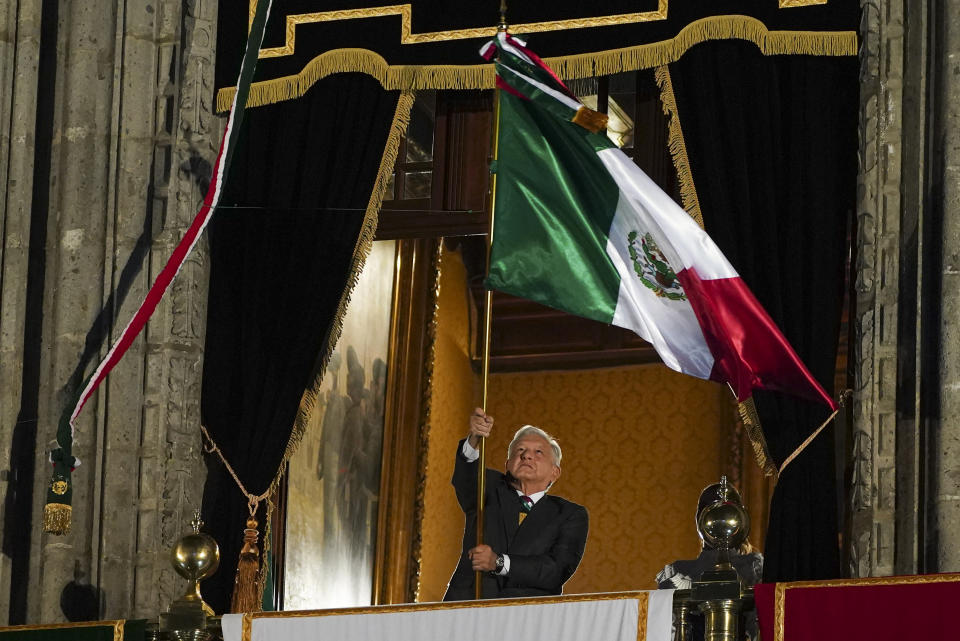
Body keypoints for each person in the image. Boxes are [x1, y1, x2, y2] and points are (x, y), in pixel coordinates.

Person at [443, 408, 589, 600]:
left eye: (538, 452)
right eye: (520, 450)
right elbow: (466, 477)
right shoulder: (489, 487)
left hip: (529, 615)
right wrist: (474, 440)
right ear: (507, 464)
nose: (527, 456)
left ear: (555, 472)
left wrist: (499, 562)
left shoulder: (570, 514)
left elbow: (556, 569)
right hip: (470, 606)